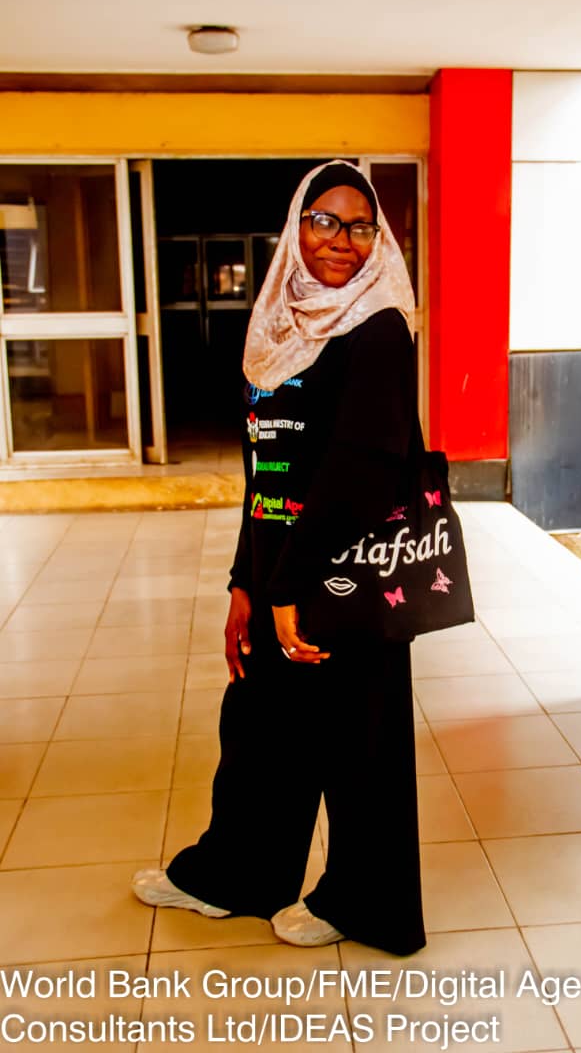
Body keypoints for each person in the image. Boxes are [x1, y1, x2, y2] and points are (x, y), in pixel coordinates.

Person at [132, 161, 426, 957]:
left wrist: (292, 585)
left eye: (360, 226)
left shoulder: (377, 327)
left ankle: (366, 902)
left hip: (345, 570)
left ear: (378, 239)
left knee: (359, 738)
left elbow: (363, 468)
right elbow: (265, 468)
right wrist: (246, 581)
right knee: (262, 727)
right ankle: (236, 874)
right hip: (279, 567)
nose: (341, 240)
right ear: (296, 228)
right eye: (323, 220)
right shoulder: (279, 324)